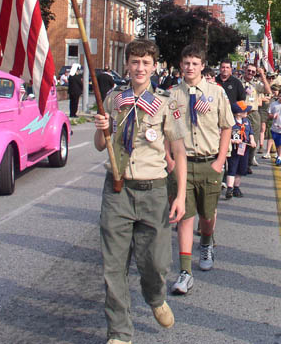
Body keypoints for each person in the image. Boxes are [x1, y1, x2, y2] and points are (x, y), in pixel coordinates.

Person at [92, 39, 187, 344]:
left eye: (146, 62)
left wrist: (181, 195)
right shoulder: (113, 99)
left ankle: (156, 297)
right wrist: (101, 127)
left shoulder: (166, 102)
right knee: (113, 267)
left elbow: (178, 151)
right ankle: (119, 332)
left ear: (154, 66)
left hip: (153, 191)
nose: (140, 68)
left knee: (155, 264)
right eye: (135, 62)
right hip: (118, 190)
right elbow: (99, 144)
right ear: (128, 65)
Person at [168, 44, 233, 295]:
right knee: (184, 217)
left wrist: (220, 160)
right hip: (183, 164)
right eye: (186, 63)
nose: (190, 67)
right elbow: (165, 130)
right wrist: (168, 159)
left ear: (202, 66)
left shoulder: (215, 93)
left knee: (207, 215)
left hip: (208, 162)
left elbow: (227, 126)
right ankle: (185, 271)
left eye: (195, 63)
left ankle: (206, 242)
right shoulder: (173, 95)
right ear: (181, 65)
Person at [241, 64, 271, 171]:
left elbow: (268, 91)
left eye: (253, 72)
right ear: (245, 70)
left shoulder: (256, 84)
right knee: (240, 138)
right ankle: (240, 162)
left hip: (253, 113)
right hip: (241, 113)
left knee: (254, 138)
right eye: (248, 71)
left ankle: (248, 163)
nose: (250, 73)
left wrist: (262, 75)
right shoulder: (238, 82)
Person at [224, 100, 254, 199]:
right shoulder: (231, 122)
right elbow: (225, 136)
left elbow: (250, 133)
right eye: (244, 111)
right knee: (232, 168)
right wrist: (232, 141)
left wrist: (252, 140)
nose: (246, 112)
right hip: (234, 149)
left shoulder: (247, 121)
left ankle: (236, 187)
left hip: (244, 148)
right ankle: (229, 188)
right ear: (238, 113)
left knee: (241, 169)